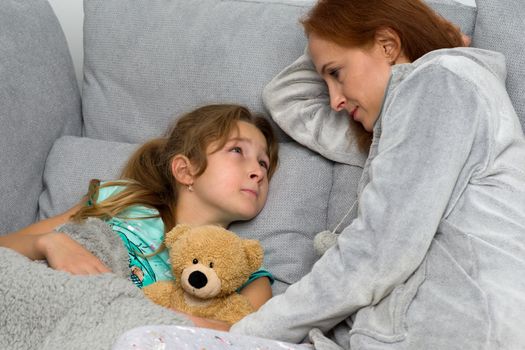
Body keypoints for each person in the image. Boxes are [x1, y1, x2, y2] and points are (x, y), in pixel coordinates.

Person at [229, 0, 525, 349]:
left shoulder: (439, 82)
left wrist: (241, 337)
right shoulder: (398, 124)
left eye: (336, 73)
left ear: (388, 45)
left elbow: (378, 252)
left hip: (463, 330)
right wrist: (329, 39)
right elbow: (285, 98)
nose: (334, 100)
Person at [0, 103, 279, 312]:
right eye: (237, 151)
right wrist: (50, 243)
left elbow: (234, 336)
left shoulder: (244, 271)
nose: (257, 171)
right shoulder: (122, 200)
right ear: (185, 170)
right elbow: (6, 247)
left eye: (263, 163)